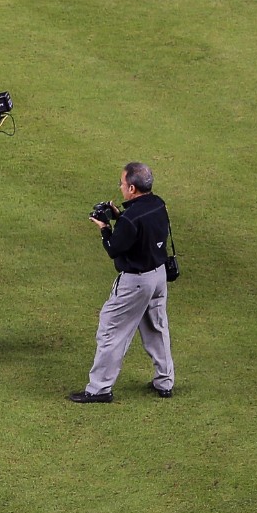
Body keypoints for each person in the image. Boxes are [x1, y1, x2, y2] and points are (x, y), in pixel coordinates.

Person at [71, 162, 176, 402]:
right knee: (157, 329)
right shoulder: (158, 203)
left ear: (131, 188)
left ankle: (99, 389)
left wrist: (105, 228)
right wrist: (121, 217)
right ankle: (165, 382)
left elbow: (114, 248)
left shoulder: (131, 219)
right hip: (159, 276)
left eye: (121, 183)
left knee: (111, 331)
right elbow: (142, 231)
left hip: (136, 283)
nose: (120, 187)